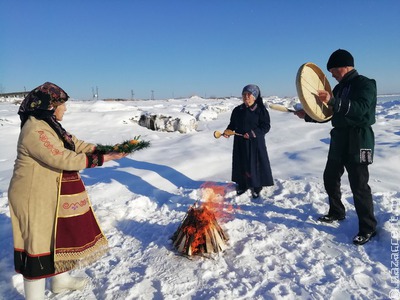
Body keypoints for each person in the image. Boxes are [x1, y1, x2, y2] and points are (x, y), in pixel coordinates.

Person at [8, 82, 127, 299]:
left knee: (58, 239)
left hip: (51, 192)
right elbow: (61, 157)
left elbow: (75, 144)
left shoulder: (50, 124)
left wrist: (104, 150)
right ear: (50, 105)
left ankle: (60, 282)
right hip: (33, 196)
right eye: (62, 105)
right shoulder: (35, 129)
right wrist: (102, 158)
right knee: (37, 246)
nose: (65, 109)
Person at [294, 49, 377, 245]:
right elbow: (330, 114)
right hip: (339, 139)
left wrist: (332, 100)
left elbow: (361, 109)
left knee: (359, 185)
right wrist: (307, 116)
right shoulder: (339, 89)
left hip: (359, 140)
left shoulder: (365, 84)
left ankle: (368, 228)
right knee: (330, 177)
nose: (331, 74)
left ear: (344, 66)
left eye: (332, 70)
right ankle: (337, 212)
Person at [223, 84, 274, 198]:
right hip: (240, 142)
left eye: (249, 94)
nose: (246, 96)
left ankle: (257, 186)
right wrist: (229, 131)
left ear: (254, 96)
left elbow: (266, 126)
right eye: (244, 94)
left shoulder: (260, 110)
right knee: (242, 163)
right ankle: (243, 184)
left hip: (255, 143)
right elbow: (232, 125)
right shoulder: (237, 110)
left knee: (255, 164)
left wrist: (252, 134)